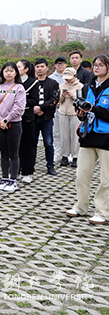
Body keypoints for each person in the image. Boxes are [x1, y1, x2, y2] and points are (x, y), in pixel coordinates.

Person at [66, 54, 109, 225]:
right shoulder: (88, 86)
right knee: (82, 174)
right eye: (95, 64)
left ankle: (102, 211)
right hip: (88, 135)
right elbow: (85, 113)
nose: (96, 67)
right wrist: (81, 113)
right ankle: (81, 206)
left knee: (106, 179)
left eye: (101, 65)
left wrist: (94, 109)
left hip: (106, 138)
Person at [0, 62, 26, 192]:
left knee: (13, 153)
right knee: (3, 153)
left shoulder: (19, 88)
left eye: (11, 70)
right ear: (2, 73)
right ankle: (4, 178)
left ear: (16, 72)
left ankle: (13, 180)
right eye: (6, 71)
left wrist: (7, 119)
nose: (8, 73)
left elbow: (19, 107)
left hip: (14, 124)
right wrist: (0, 119)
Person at [32, 58, 60, 177]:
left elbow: (55, 99)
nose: (40, 69)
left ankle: (50, 166)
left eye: (42, 66)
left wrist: (41, 108)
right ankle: (30, 165)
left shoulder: (53, 83)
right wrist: (34, 108)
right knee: (32, 143)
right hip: (32, 118)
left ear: (47, 68)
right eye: (38, 66)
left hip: (47, 117)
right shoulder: (31, 82)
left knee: (48, 143)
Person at [17, 59, 40, 181]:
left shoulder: (33, 83)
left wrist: (20, 103)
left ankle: (27, 172)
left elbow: (35, 100)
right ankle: (15, 170)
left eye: (19, 67)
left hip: (27, 119)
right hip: (14, 119)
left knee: (27, 146)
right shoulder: (13, 82)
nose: (16, 69)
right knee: (15, 146)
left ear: (26, 69)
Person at [57, 67, 82, 168]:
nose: (67, 80)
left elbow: (80, 99)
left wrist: (72, 94)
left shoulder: (80, 86)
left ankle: (76, 157)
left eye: (69, 78)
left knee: (75, 136)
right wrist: (63, 95)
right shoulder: (62, 85)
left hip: (74, 113)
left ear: (75, 76)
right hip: (63, 112)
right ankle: (64, 156)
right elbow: (58, 101)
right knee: (64, 135)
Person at [49, 57, 68, 163]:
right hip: (55, 108)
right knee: (56, 132)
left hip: (68, 109)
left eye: (62, 63)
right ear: (55, 66)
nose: (60, 65)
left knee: (67, 132)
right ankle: (57, 153)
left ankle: (68, 154)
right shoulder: (51, 78)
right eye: (58, 63)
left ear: (66, 65)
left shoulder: (70, 77)